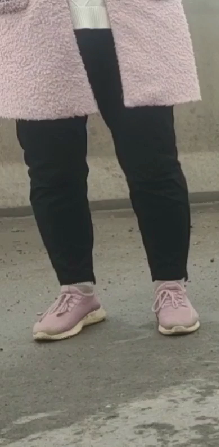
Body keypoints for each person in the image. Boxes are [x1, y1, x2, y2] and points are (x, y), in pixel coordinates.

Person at [0, 0, 202, 341]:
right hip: (38, 31)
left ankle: (171, 285)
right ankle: (76, 291)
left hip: (135, 23)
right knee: (52, 171)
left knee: (153, 163)